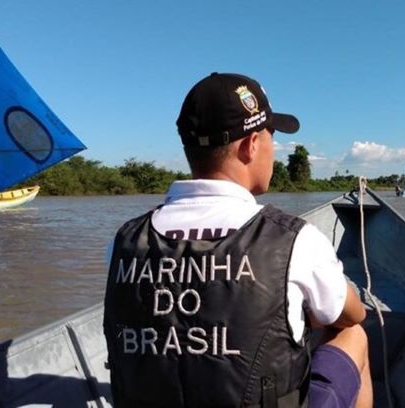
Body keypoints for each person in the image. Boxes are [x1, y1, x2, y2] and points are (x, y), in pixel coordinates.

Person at [103, 72, 372, 407]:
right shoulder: (294, 240)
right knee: (353, 334)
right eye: (272, 138)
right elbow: (352, 314)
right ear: (251, 145)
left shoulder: (124, 241)